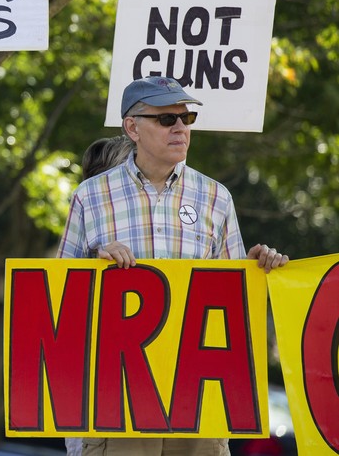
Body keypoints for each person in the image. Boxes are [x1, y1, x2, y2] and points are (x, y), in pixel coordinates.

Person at [58, 76, 288, 456]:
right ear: (132, 127)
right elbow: (60, 298)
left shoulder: (216, 196)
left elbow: (234, 304)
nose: (181, 127)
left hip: (198, 401)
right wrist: (93, 267)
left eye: (187, 117)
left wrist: (255, 269)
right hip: (119, 401)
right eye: (167, 120)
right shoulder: (89, 197)